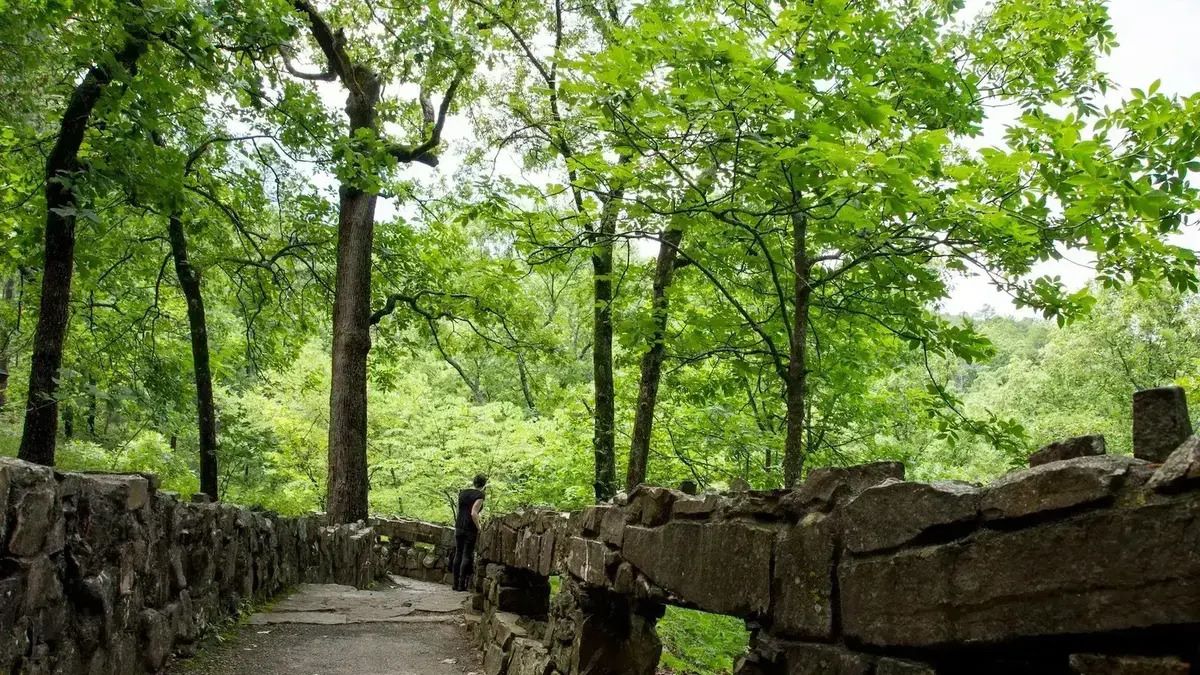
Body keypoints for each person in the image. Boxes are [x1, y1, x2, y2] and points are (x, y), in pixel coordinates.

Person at [451, 474, 487, 591]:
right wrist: (479, 527)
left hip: (459, 526)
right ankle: (461, 584)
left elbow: (459, 510)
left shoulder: (463, 493)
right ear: (484, 484)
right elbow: (473, 513)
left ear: (474, 482)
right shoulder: (480, 495)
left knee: (458, 553)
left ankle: (455, 583)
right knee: (466, 554)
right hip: (470, 528)